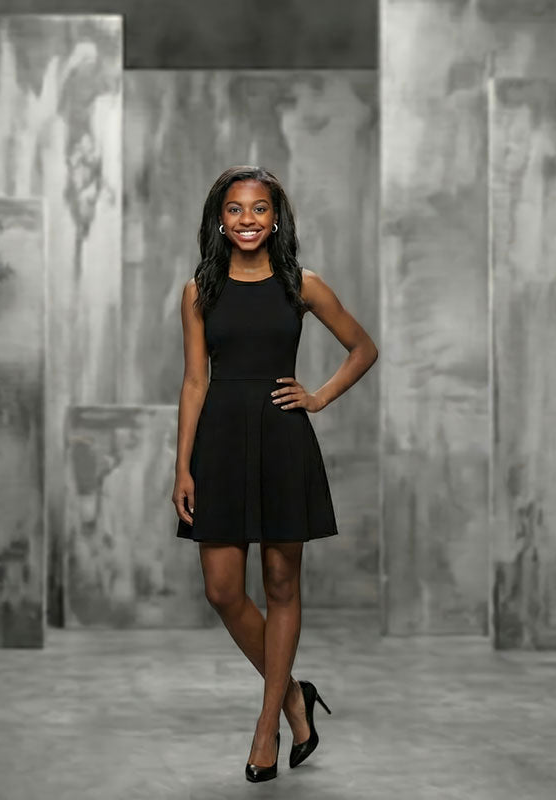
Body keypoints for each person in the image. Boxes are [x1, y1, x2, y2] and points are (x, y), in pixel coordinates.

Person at [172, 165, 378, 782]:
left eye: (259, 209)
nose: (248, 220)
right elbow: (194, 381)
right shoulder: (198, 291)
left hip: (282, 441)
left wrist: (318, 397)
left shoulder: (301, 285)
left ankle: (267, 729)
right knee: (223, 590)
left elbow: (363, 348)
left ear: (276, 218)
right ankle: (293, 695)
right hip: (220, 443)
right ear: (219, 219)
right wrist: (182, 466)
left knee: (282, 584)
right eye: (235, 209)